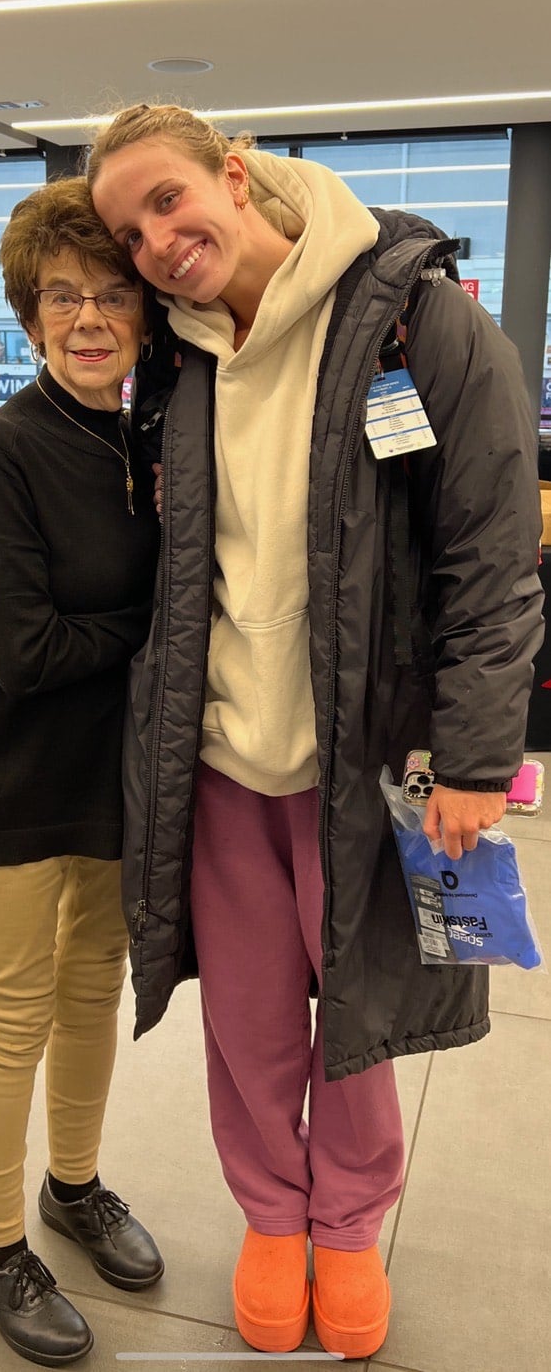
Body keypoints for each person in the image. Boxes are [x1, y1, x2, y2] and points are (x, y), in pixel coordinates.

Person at [87, 104, 545, 1360]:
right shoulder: (175, 360)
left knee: (360, 1007)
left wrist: (471, 757)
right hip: (223, 758)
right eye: (132, 231)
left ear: (234, 173)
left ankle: (346, 1223)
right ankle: (270, 1217)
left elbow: (495, 557)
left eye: (171, 201)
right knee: (246, 1022)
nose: (158, 241)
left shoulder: (414, 314)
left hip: (369, 760)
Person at [0, 176, 162, 1368]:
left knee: (90, 998)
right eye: (62, 297)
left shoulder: (145, 443)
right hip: (13, 790)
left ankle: (74, 1188)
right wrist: (168, 617)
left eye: (110, 296)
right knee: (16, 1008)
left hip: (110, 786)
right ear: (29, 319)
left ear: (141, 313)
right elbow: (24, 653)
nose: (87, 318)